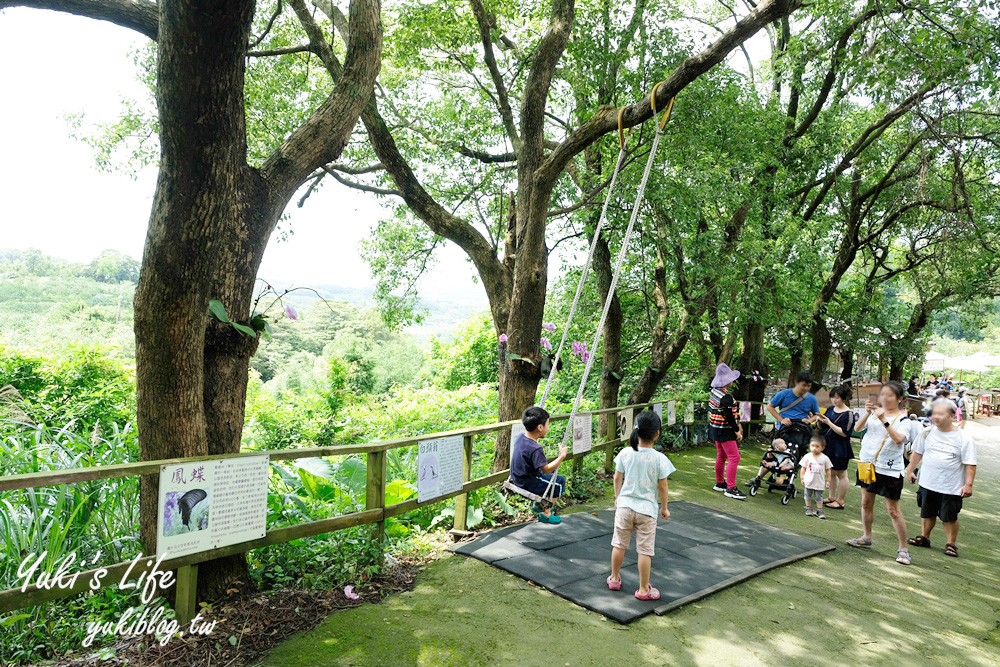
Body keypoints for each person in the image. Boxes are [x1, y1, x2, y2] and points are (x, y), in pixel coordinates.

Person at [846, 381, 918, 564]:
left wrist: (883, 420)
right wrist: (869, 413)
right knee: (865, 503)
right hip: (868, 465)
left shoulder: (905, 421)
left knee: (893, 510)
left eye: (890, 395)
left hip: (890, 469)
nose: (885, 398)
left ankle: (904, 549)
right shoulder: (874, 414)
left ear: (900, 399)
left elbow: (898, 439)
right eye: (882, 395)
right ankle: (866, 536)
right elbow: (856, 429)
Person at [608, 411, 675, 600]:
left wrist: (617, 497)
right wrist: (664, 508)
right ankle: (644, 589)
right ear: (657, 433)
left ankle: (614, 578)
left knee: (619, 544)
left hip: (625, 507)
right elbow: (663, 486)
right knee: (645, 551)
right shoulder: (659, 458)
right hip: (647, 511)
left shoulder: (625, 452)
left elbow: (617, 477)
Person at [904, 399, 977, 558]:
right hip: (928, 482)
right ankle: (924, 537)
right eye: (933, 413)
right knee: (926, 512)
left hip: (951, 486)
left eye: (940, 413)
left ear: (952, 415)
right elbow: (917, 453)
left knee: (949, 516)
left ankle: (951, 544)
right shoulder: (927, 432)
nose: (935, 416)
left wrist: (968, 484)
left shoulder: (964, 438)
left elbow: (970, 464)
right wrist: (910, 470)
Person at [510, 406, 567, 524]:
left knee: (552, 473)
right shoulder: (535, 449)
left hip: (517, 477)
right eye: (547, 424)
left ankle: (538, 504)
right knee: (559, 482)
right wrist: (562, 456)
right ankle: (546, 512)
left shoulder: (520, 437)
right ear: (540, 427)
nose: (548, 428)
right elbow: (546, 469)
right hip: (528, 482)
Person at [708, 363, 746, 500]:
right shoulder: (726, 397)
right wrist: (737, 430)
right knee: (734, 457)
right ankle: (731, 487)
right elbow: (728, 416)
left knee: (721, 455)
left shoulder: (713, 391)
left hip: (715, 428)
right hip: (725, 430)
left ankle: (720, 482)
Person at [816, 385, 856, 510]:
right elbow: (823, 426)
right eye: (832, 397)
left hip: (840, 447)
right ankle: (831, 497)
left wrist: (829, 422)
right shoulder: (830, 409)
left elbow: (845, 432)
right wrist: (820, 421)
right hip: (828, 444)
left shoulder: (848, 414)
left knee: (841, 474)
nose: (834, 400)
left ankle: (840, 501)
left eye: (837, 398)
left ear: (843, 398)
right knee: (831, 473)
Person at [766, 372, 820, 454]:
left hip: (801, 431)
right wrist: (781, 419)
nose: (806, 388)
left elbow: (817, 415)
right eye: (804, 385)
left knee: (798, 453)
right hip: (784, 429)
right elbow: (770, 406)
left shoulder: (812, 399)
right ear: (797, 383)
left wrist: (809, 420)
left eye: (808, 386)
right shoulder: (784, 394)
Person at [799, 435, 833, 519]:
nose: (814, 448)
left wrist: (828, 481)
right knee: (807, 495)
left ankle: (819, 510)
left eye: (817, 446)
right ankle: (808, 509)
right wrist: (802, 478)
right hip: (809, 481)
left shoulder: (825, 458)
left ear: (823, 447)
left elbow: (828, 470)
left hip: (819, 482)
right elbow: (803, 468)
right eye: (812, 446)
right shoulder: (807, 456)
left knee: (819, 497)